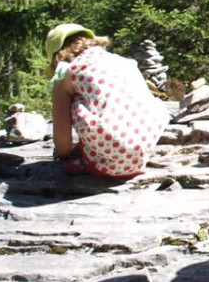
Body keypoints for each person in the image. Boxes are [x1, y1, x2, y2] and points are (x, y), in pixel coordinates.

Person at [45, 23, 171, 180]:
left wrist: (62, 153)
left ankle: (92, 159)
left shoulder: (65, 72)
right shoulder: (121, 61)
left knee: (78, 103)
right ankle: (125, 152)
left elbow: (62, 138)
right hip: (145, 145)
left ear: (56, 56)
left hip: (111, 160)